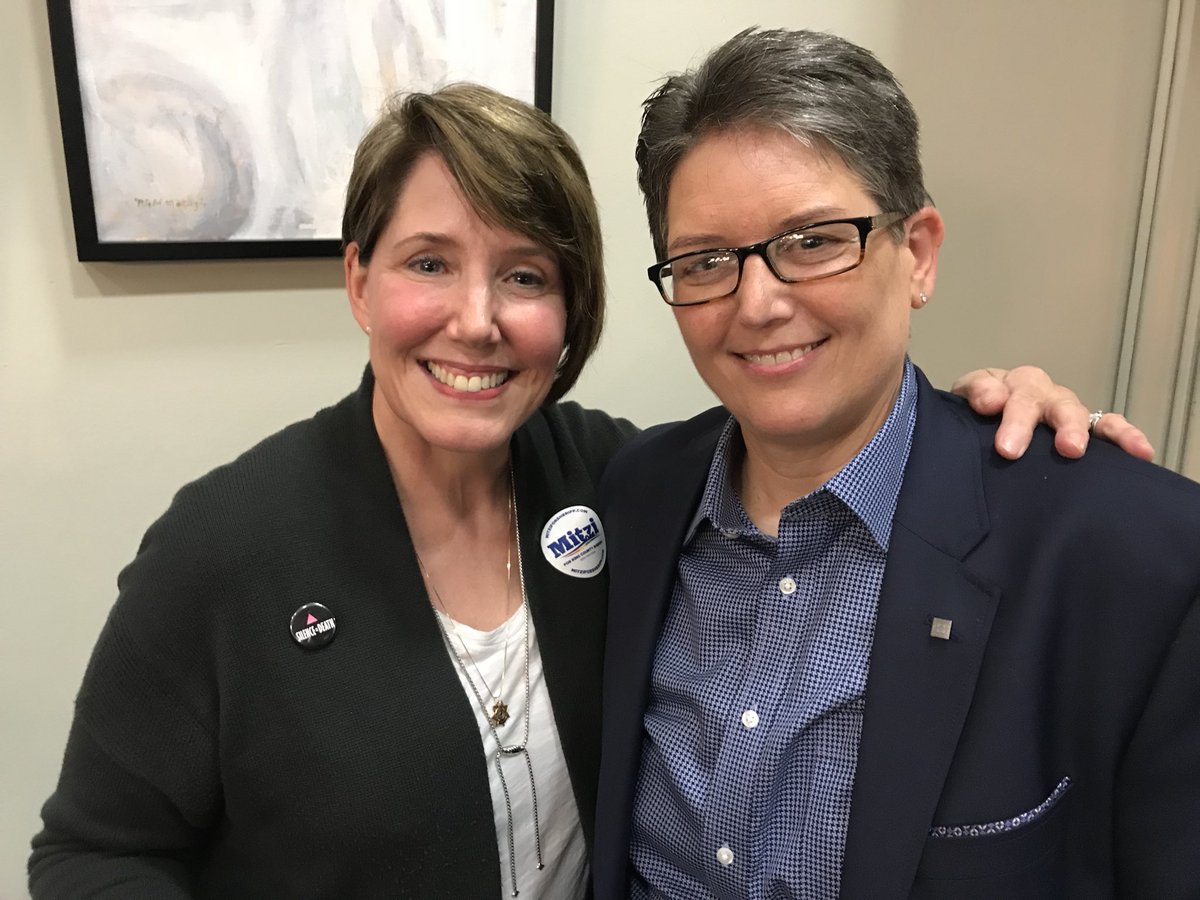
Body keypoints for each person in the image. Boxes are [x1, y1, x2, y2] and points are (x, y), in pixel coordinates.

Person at [28, 82, 1146, 899]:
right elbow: (92, 853)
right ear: (360, 280)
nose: (477, 318)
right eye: (428, 263)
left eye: (525, 275)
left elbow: (813, 417)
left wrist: (997, 409)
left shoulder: (621, 485)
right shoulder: (225, 545)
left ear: (575, 313)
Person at [593, 27, 1200, 900]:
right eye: (707, 260)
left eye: (811, 241)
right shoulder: (634, 494)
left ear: (916, 254)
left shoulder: (1129, 555)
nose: (758, 303)